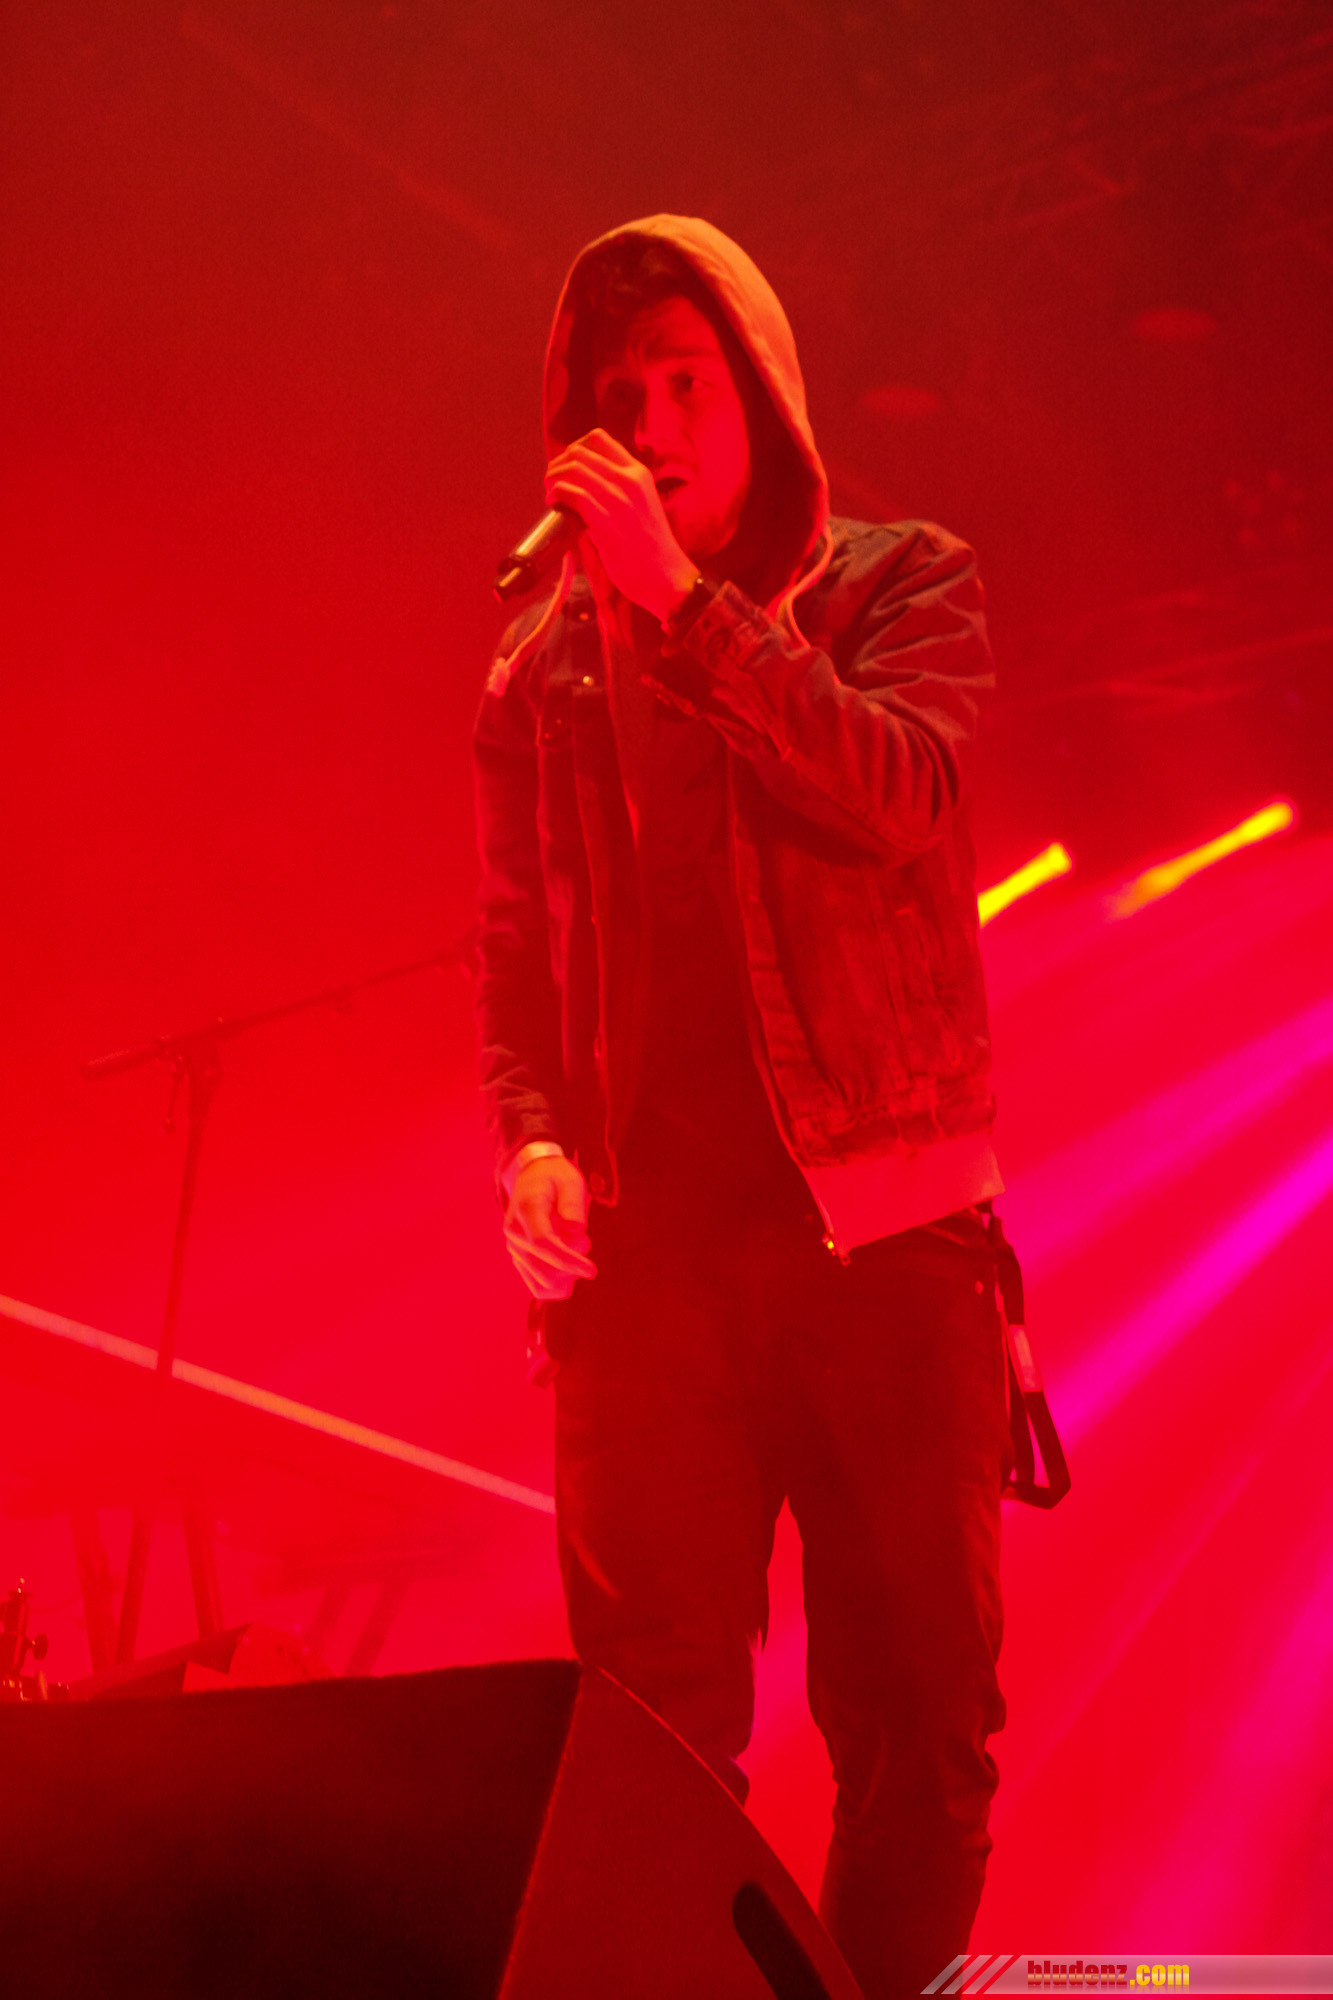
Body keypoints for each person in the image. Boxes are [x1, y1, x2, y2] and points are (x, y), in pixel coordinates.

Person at [473, 215, 1010, 2000]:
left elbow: (897, 794)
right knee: (642, 1735)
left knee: (918, 1725)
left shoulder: (899, 585)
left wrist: (690, 614)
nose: (648, 422)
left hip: (885, 1240)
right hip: (650, 1274)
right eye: (617, 390)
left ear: (762, 399)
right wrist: (531, 1141)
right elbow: (514, 950)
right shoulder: (540, 667)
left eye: (686, 383)